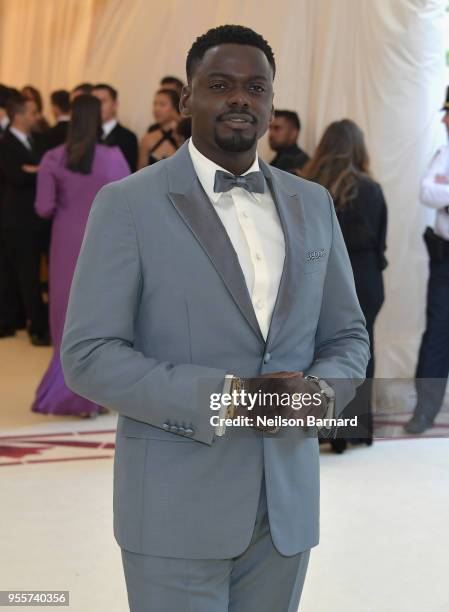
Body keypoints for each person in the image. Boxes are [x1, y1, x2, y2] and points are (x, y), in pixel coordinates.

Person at [61, 25, 369, 612]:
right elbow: (90, 355)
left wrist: (320, 395)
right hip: (176, 508)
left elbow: (347, 334)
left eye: (256, 87)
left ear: (272, 103)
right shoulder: (127, 204)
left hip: (286, 507)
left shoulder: (313, 203)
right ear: (186, 99)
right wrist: (229, 398)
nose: (240, 99)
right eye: (220, 84)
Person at [31, 95, 129, 417]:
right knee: (101, 318)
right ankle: (98, 395)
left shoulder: (52, 158)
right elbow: (128, 202)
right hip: (104, 243)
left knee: (66, 319)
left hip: (65, 245)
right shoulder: (114, 157)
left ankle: (67, 395)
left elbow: (43, 208)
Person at [303, 119, 388, 450]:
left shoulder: (309, 187)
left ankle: (326, 429)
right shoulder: (371, 189)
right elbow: (381, 242)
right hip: (366, 276)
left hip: (323, 276)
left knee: (321, 351)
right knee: (361, 351)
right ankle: (356, 429)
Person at [405, 87, 449, 434]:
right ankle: (425, 410)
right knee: (437, 334)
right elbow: (426, 191)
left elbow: (439, 192)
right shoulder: (445, 151)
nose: (445, 120)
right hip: (445, 259)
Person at [0, 93, 50, 345]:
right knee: (27, 276)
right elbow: (18, 177)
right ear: (18, 116)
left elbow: (43, 170)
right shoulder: (5, 142)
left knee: (38, 274)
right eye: (32, 112)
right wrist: (40, 171)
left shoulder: (38, 140)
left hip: (39, 219)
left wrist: (35, 170)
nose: (37, 116)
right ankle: (37, 328)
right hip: (18, 222)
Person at [92, 83, 138, 172]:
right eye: (95, 102)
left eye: (103, 101)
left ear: (115, 104)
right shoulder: (85, 135)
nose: (98, 106)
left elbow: (130, 172)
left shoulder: (128, 137)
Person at [138, 88, 180, 168]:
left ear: (175, 107)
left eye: (162, 104)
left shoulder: (185, 137)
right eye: (155, 104)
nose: (156, 109)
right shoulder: (147, 139)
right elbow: (139, 173)